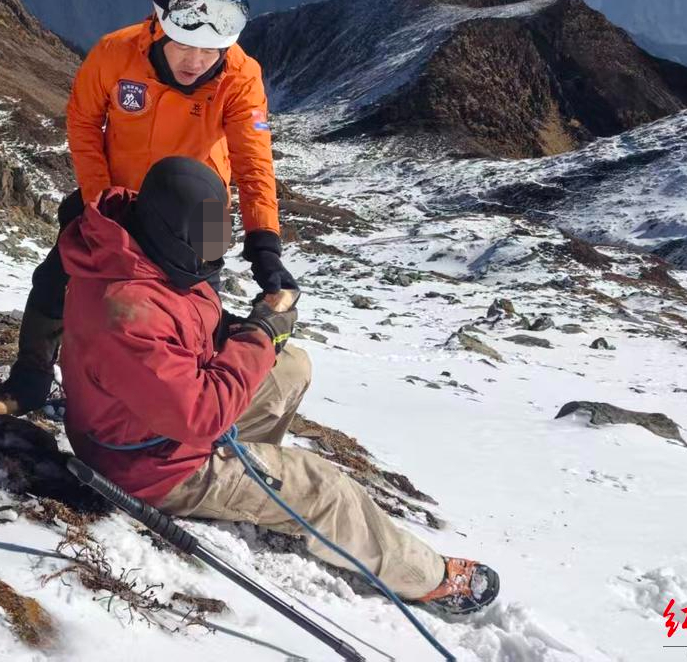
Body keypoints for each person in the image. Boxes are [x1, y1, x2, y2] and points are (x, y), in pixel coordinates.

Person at [59, 156, 500, 614]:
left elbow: (188, 335)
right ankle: (427, 578)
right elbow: (200, 415)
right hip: (152, 465)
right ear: (174, 232)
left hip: (157, 421)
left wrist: (254, 318)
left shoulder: (143, 249)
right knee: (324, 487)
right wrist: (261, 332)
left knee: (292, 367)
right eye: (208, 242)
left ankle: (252, 483)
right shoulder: (127, 311)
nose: (216, 254)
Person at [0, 0, 296, 415]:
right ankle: (29, 379)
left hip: (203, 212)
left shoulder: (241, 75)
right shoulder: (115, 53)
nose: (196, 61)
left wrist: (265, 245)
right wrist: (96, 196)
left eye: (210, 50)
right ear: (159, 22)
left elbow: (253, 162)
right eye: (185, 44)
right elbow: (84, 122)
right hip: (120, 196)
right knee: (56, 279)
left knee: (196, 307)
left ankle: (182, 405)